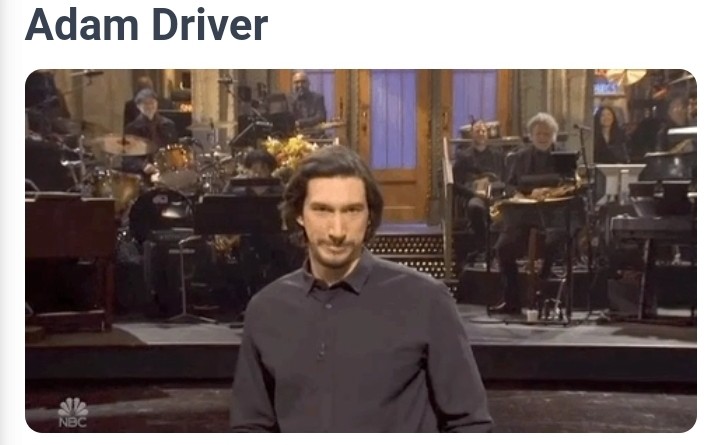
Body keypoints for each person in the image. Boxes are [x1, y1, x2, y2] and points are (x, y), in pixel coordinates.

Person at [230, 145, 493, 432]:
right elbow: (250, 427)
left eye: (352, 210)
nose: (337, 230)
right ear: (299, 215)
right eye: (322, 210)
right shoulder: (266, 309)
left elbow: (471, 424)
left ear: (370, 216)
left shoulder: (426, 299)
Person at [490, 112, 574, 315]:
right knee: (503, 248)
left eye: (547, 134)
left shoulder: (564, 157)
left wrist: (549, 192)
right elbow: (509, 186)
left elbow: (572, 184)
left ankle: (544, 296)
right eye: (539, 134)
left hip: (554, 216)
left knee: (554, 243)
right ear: (531, 135)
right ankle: (512, 301)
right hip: (523, 216)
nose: (543, 138)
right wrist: (527, 193)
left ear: (554, 136)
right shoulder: (519, 157)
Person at [453, 120, 506, 263]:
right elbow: (457, 183)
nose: (481, 133)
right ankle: (483, 248)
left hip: (496, 193)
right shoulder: (464, 156)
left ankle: (499, 250)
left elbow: (505, 177)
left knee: (505, 210)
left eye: (484, 130)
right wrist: (474, 193)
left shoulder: (498, 155)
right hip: (475, 194)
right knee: (475, 207)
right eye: (477, 131)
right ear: (472, 134)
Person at [121, 88, 178, 176]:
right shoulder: (131, 128)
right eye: (145, 103)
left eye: (152, 103)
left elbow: (175, 149)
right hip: (144, 173)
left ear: (157, 104)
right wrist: (143, 165)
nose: (149, 106)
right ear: (138, 106)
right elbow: (128, 158)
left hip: (167, 170)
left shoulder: (168, 125)